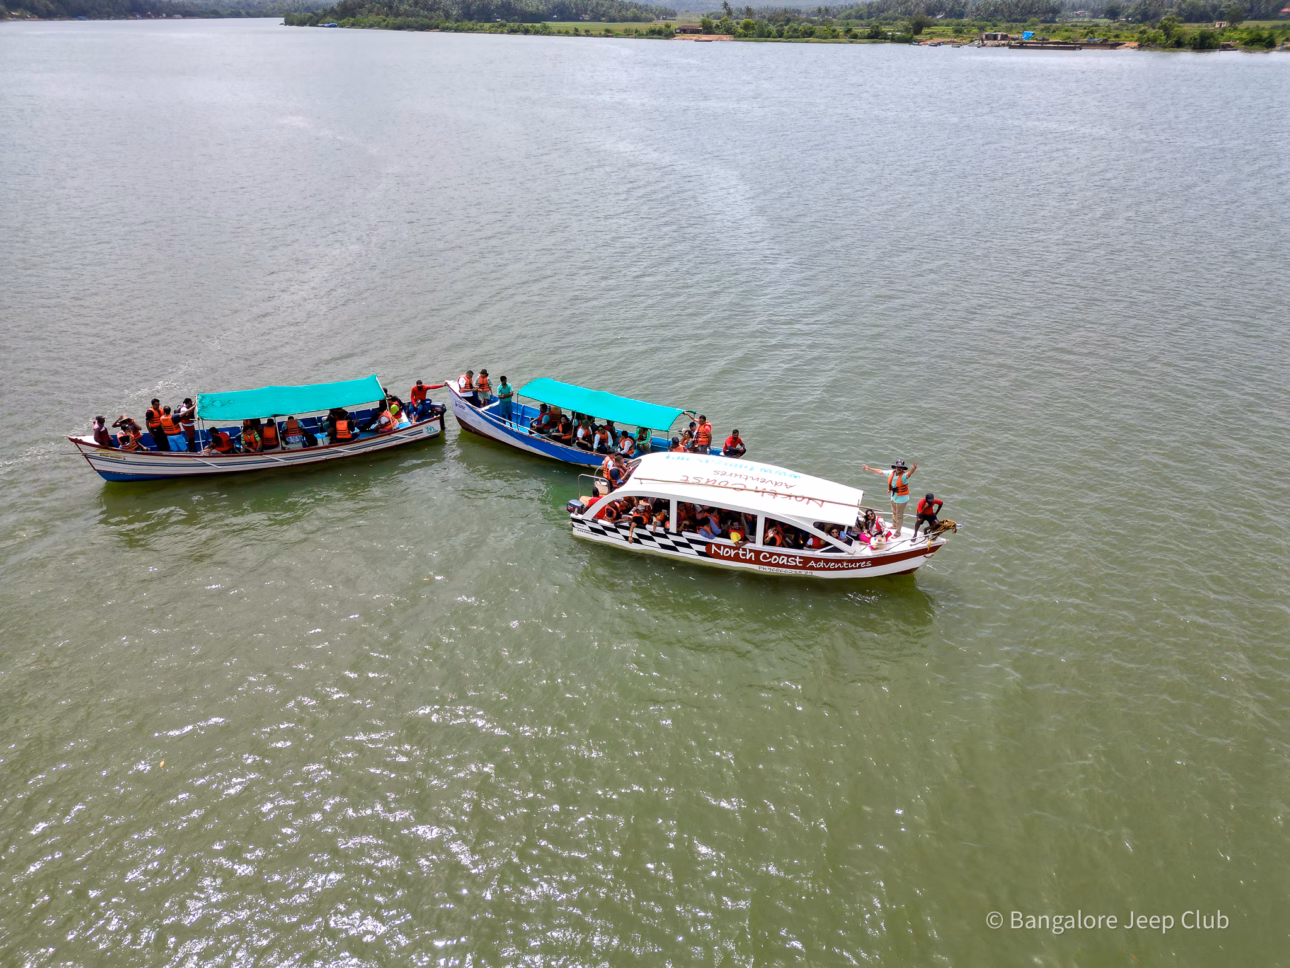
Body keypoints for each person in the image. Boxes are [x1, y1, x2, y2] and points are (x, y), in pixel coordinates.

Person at [863, 460, 917, 536]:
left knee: (899, 516)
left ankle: (898, 533)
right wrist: (869, 469)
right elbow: (880, 471)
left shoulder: (904, 476)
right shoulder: (891, 473)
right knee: (894, 513)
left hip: (902, 500)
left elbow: (909, 473)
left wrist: (913, 469)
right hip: (893, 498)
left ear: (903, 469)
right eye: (898, 467)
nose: (899, 469)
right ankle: (894, 525)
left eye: (901, 468)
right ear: (895, 467)